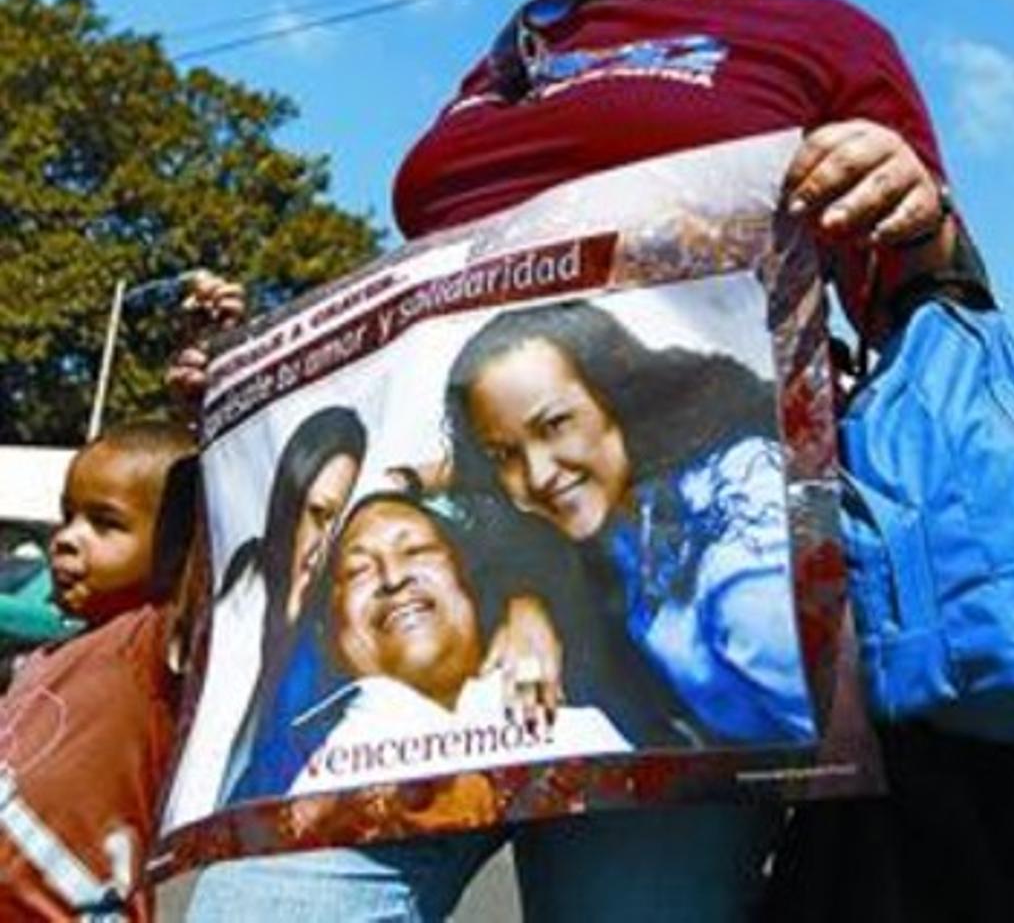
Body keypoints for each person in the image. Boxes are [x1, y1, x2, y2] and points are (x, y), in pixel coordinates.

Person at [181, 0, 963, 923]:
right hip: (439, 602)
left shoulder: (817, 36)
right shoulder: (496, 71)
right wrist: (265, 367)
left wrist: (915, 203)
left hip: (675, 628)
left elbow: (923, 297)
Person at [445, 299, 813, 745]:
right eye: (504, 455)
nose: (538, 474)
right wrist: (527, 604)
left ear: (615, 396)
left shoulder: (745, 569)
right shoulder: (624, 514)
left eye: (555, 424)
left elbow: (843, 751)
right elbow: (476, 506)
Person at [283, 492, 629, 798]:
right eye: (358, 570)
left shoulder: (586, 734)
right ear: (325, 629)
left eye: (416, 551)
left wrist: (527, 604)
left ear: (468, 582)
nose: (394, 578)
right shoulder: (304, 797)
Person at [0, 420, 198, 921]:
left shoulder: (152, 641)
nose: (65, 539)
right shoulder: (46, 657)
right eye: (67, 516)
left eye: (105, 523)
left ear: (179, 548)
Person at [161, 406, 368, 827]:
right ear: (287, 507)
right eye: (318, 515)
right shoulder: (239, 584)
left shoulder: (343, 646)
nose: (324, 548)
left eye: (343, 527)